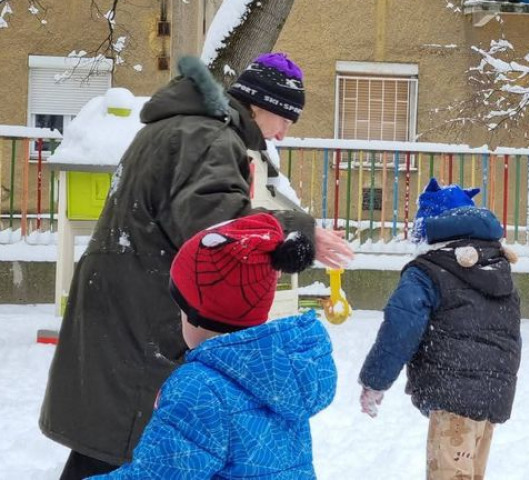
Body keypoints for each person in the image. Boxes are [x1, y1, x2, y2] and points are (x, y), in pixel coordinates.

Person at [40, 53, 353, 479]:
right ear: (259, 106)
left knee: (115, 441)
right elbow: (216, 232)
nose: (283, 132)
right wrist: (295, 231)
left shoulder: (182, 128)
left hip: (126, 296)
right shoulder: (207, 137)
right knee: (133, 437)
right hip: (149, 307)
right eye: (285, 119)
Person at [89, 212, 335, 479]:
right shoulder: (281, 374)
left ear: (194, 315)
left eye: (181, 308)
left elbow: (157, 475)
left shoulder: (199, 388)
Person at [358, 178, 522, 480]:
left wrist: (375, 380)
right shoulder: (497, 265)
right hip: (494, 393)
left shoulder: (428, 271)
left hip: (454, 395)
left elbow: (401, 325)